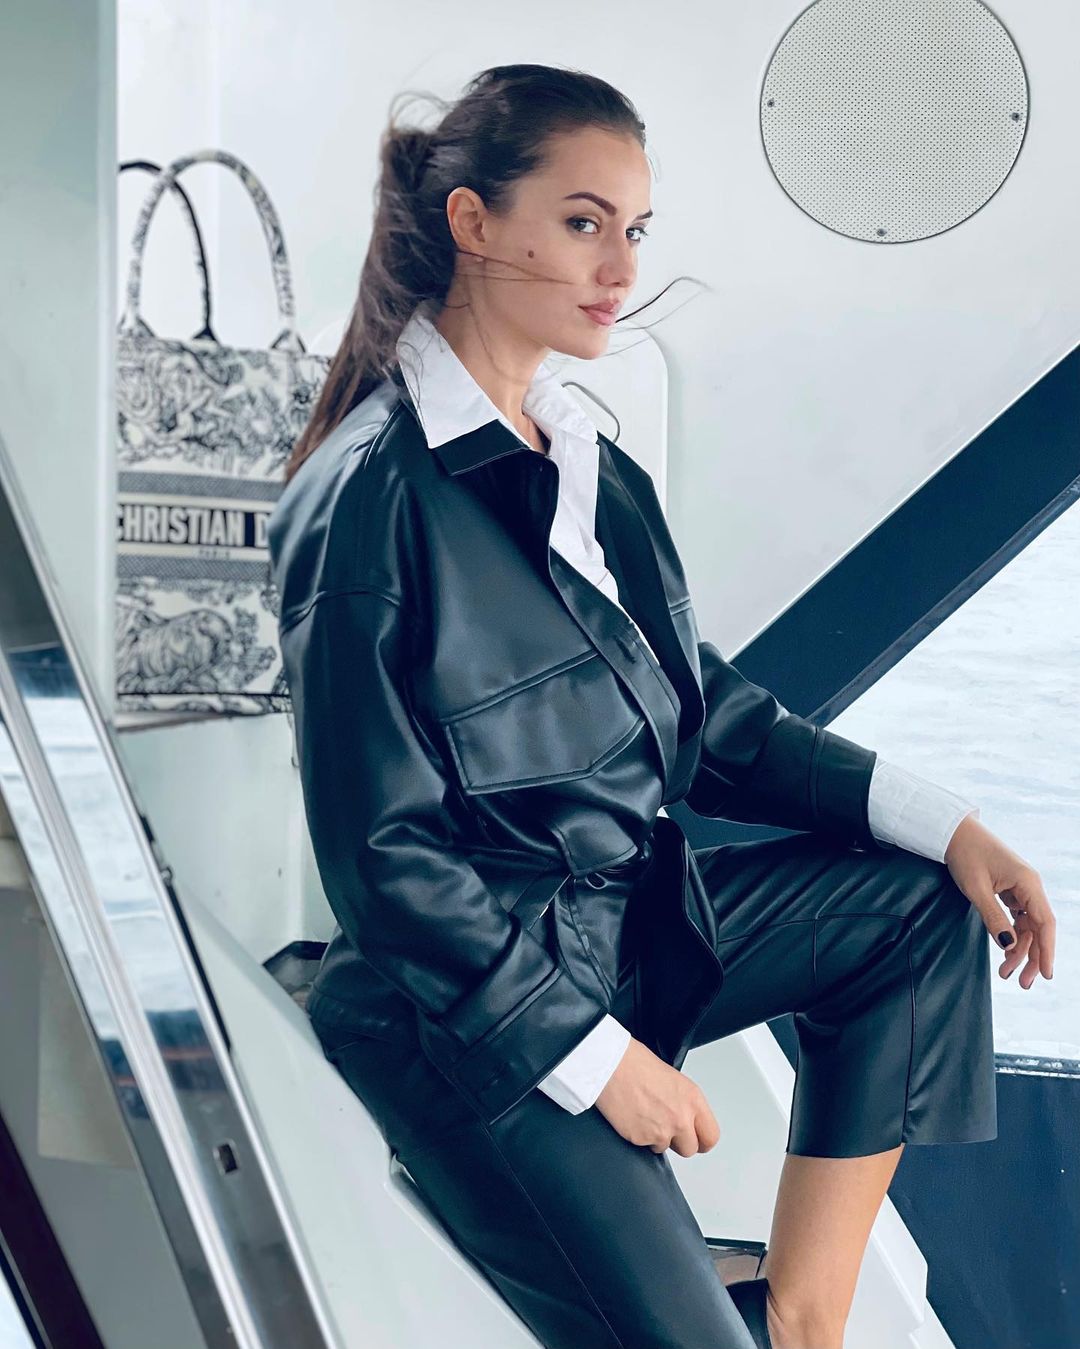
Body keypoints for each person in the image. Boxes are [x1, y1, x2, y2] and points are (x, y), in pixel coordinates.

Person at [267, 63, 1056, 1349]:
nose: (621, 266)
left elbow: (714, 722)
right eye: (584, 222)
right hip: (469, 1016)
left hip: (623, 933)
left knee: (920, 908)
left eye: (634, 229)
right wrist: (596, 1060)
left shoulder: (589, 467)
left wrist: (950, 823)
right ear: (473, 222)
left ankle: (802, 1321)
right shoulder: (372, 494)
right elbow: (382, 862)